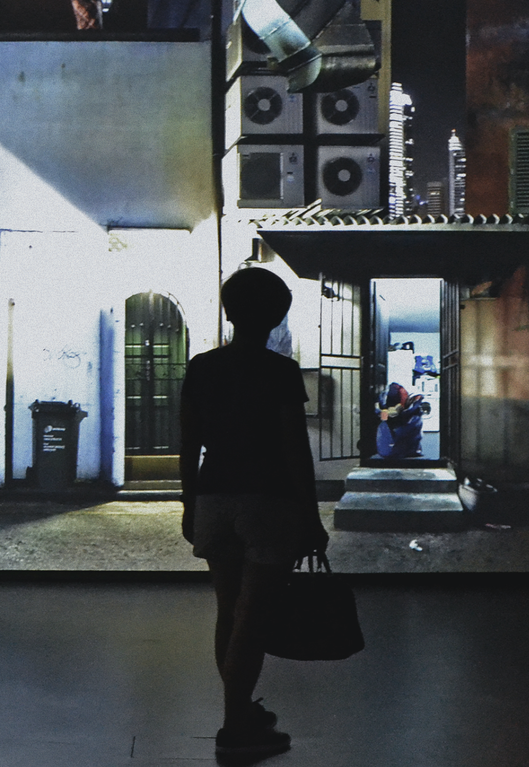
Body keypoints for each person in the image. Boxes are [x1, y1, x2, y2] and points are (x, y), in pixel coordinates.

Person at [179, 268, 328, 755]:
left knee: (229, 613)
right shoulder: (281, 372)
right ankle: (235, 729)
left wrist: (189, 502)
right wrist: (311, 515)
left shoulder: (202, 366)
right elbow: (293, 451)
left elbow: (188, 443)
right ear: (277, 315)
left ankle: (241, 712)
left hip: (214, 498)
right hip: (268, 502)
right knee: (252, 620)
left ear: (229, 311)